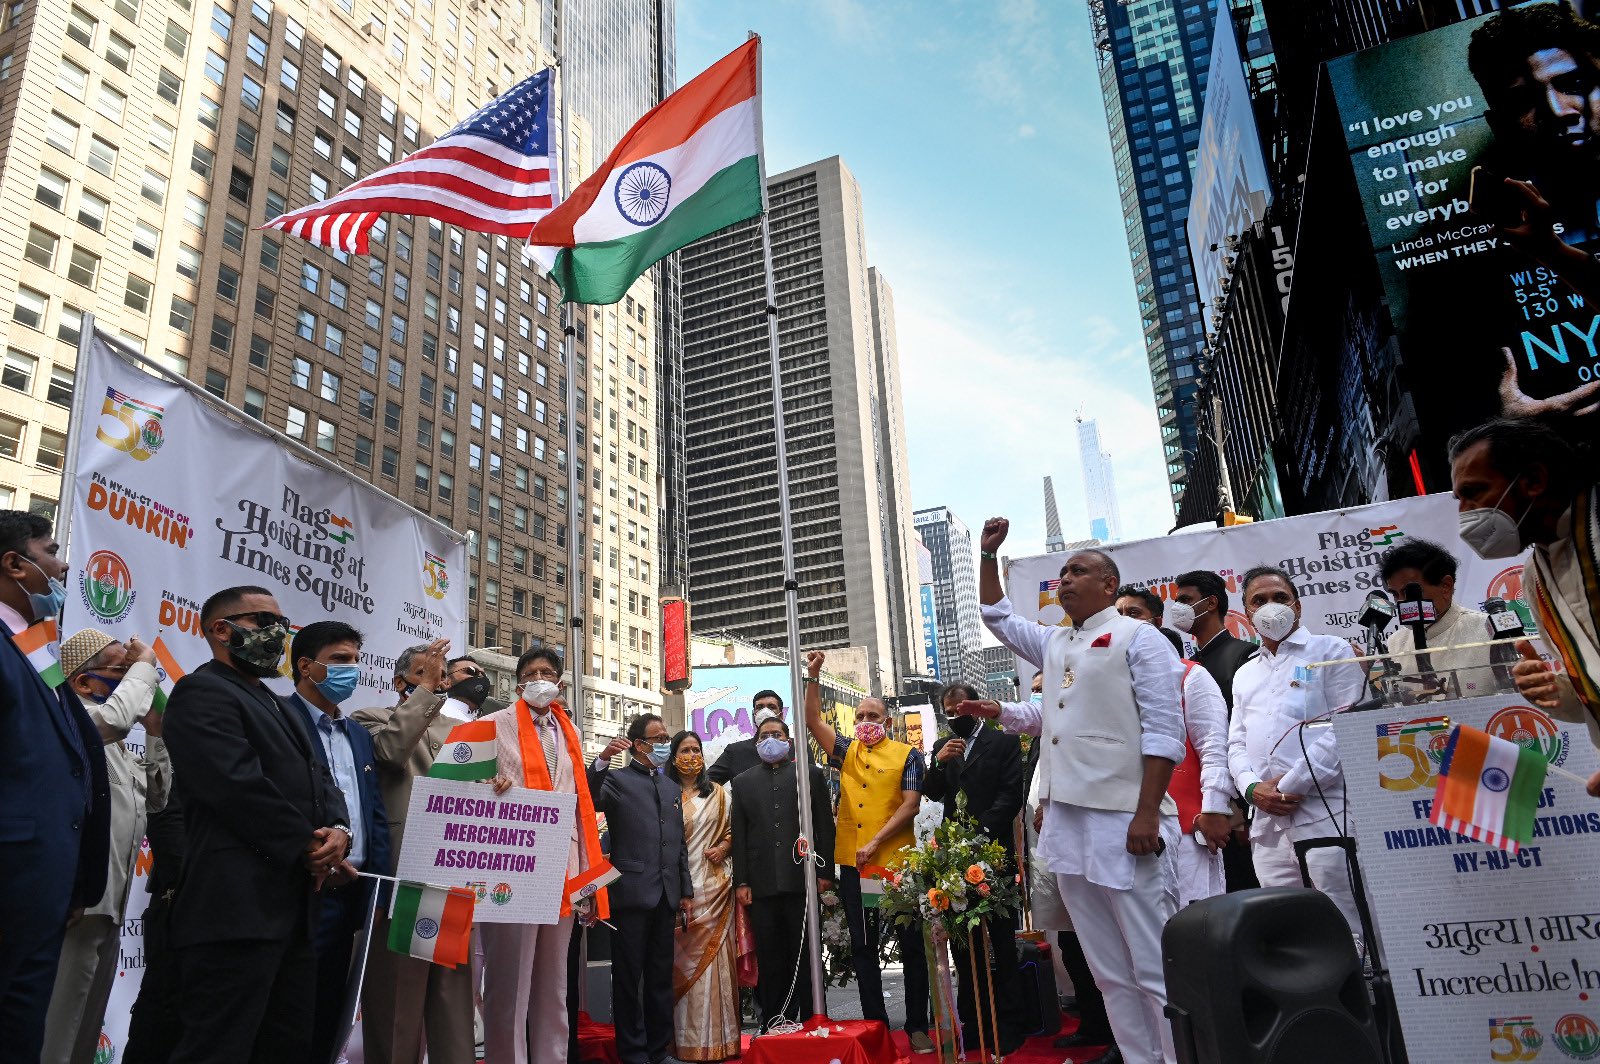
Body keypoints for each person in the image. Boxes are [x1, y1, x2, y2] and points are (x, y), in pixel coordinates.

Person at [968, 517, 1185, 1064]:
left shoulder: (1142, 638)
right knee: (1108, 969)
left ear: (1109, 585)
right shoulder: (1057, 642)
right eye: (1061, 572)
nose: (1064, 580)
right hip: (1067, 818)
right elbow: (996, 617)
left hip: (1123, 817)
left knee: (1153, 963)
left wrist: (1146, 815)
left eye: (1077, 571)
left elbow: (1163, 733)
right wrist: (989, 556)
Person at [161, 585, 352, 1063]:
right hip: (235, 910)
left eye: (282, 625)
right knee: (220, 1044)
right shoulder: (201, 691)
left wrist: (338, 830)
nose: (278, 634)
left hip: (294, 911)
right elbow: (234, 785)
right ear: (221, 630)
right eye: (264, 622)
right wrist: (308, 845)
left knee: (284, 1043)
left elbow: (320, 779)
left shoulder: (274, 701)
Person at [0, 511, 108, 1063]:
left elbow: (71, 754)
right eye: (50, 551)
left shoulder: (36, 646)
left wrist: (75, 878)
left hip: (45, 888)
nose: (64, 564)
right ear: (15, 564)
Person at [1450, 418, 1600, 795]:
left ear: (1533, 479)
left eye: (1474, 492)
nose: (1465, 515)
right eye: (1460, 500)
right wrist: (1554, 690)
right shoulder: (1534, 574)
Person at [42, 630, 170, 1064]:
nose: (138, 681)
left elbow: (157, 797)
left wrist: (156, 732)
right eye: (122, 671)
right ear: (82, 682)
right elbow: (114, 720)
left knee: (85, 1029)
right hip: (74, 908)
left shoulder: (114, 747)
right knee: (55, 1032)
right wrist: (146, 665)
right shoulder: (68, 724)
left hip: (109, 908)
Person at [478, 644, 610, 1064]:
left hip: (564, 867)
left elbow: (582, 810)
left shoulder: (569, 731)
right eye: (531, 673)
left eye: (547, 672)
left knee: (555, 986)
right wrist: (488, 785)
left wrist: (588, 883)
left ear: (559, 681)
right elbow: (457, 787)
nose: (539, 679)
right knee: (509, 984)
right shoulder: (490, 724)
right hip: (510, 864)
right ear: (519, 683)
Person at [352, 638, 477, 1064]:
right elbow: (390, 753)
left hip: (453, 878)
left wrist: (495, 787)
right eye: (426, 674)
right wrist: (424, 693)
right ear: (400, 681)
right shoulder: (369, 718)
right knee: (396, 1005)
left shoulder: (465, 733)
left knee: (450, 1002)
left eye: (442, 676)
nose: (438, 682)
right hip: (402, 878)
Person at [801, 650, 933, 1053]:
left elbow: (911, 804)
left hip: (896, 862)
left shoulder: (907, 755)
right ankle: (875, 1023)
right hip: (856, 866)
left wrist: (876, 841)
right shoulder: (846, 752)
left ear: (887, 722)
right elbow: (811, 721)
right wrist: (814, 676)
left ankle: (916, 1024)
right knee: (863, 945)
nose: (864, 723)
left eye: (872, 717)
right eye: (859, 717)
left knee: (911, 945)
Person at [1227, 567, 1367, 936]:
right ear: (1247, 614)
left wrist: (1290, 785)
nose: (1270, 607)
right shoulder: (1245, 674)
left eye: (1280, 598)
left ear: (1298, 607)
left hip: (1324, 813)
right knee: (1290, 931)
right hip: (1267, 826)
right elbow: (1236, 742)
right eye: (1259, 601)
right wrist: (1253, 790)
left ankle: (1366, 993)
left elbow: (1344, 729)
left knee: (1347, 922)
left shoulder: (1331, 650)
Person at [287, 621, 392, 1064]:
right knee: (294, 1008)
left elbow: (375, 813)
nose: (353, 669)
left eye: (356, 660)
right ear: (307, 666)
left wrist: (380, 889)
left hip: (357, 889)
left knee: (336, 1007)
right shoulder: (279, 718)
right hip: (305, 887)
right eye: (341, 660)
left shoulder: (358, 735)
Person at [922, 683, 1027, 1058]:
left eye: (961, 710)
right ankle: (973, 1019)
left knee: (1000, 942)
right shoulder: (942, 747)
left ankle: (1011, 1022)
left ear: (976, 708)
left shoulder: (1003, 741)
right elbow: (932, 792)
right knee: (963, 945)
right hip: (954, 861)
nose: (956, 718)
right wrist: (940, 763)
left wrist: (980, 836)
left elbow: (1011, 795)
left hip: (993, 853)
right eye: (949, 713)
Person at [1113, 589, 1235, 908]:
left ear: (1155, 623)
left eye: (1134, 614)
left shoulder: (1191, 675)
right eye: (1118, 615)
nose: (1124, 622)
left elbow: (1214, 747)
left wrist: (1213, 808)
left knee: (1196, 932)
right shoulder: (1105, 684)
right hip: (1123, 833)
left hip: (1186, 830)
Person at [588, 714, 693, 1064]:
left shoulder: (669, 786)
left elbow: (679, 845)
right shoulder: (616, 780)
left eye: (666, 735)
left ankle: (658, 1050)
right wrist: (601, 760)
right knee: (629, 978)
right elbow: (589, 798)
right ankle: (633, 1053)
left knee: (661, 978)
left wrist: (686, 892)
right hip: (631, 894)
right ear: (638, 744)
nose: (665, 742)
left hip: (666, 895)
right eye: (658, 737)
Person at [730, 714, 835, 1028]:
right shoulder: (743, 781)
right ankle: (774, 1019)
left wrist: (825, 872)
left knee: (804, 953)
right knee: (770, 956)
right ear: (756, 742)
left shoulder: (809, 775)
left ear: (788, 740)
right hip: (760, 885)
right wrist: (742, 881)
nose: (769, 740)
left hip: (801, 879)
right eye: (763, 736)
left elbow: (824, 827)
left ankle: (812, 1017)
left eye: (776, 733)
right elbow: (741, 834)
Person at [1171, 569, 1260, 892]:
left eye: (1185, 600)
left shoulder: (1242, 656)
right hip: (1198, 806)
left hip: (1235, 807)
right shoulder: (1186, 666)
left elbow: (1241, 735)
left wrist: (1237, 808)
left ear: (1210, 604)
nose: (1177, 608)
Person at [666, 730, 739, 1062]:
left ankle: (720, 1042)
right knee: (677, 967)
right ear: (673, 755)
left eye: (696, 749)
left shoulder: (719, 794)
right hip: (676, 895)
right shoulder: (664, 793)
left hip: (713, 889)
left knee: (713, 968)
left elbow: (732, 831)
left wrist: (723, 846)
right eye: (684, 750)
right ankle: (681, 1042)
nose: (691, 755)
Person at [1378, 539, 1497, 698]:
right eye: (1395, 594)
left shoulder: (1488, 629)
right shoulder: (1395, 642)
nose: (1401, 602)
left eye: (1409, 592)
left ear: (1445, 586)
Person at [708, 690, 784, 784]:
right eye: (759, 708)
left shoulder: (798, 749)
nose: (765, 712)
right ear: (754, 715)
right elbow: (706, 784)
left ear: (781, 715)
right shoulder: (735, 752)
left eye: (771, 707)